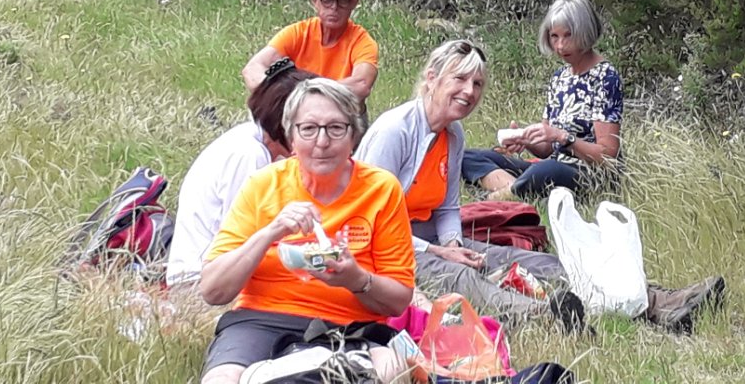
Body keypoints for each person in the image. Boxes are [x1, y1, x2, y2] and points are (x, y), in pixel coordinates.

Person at [354, 39, 586, 330]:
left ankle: (594, 283)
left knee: (510, 257)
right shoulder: (395, 131)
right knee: (460, 275)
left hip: (430, 236)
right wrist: (439, 252)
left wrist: (453, 244)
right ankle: (544, 316)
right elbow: (372, 221)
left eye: (477, 84)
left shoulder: (453, 134)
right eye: (460, 79)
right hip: (387, 246)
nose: (469, 91)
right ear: (432, 78)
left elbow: (448, 207)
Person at [199, 79, 415, 384]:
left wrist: (355, 279)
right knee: (222, 379)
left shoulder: (381, 189)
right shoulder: (263, 185)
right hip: (261, 321)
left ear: (353, 136)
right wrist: (270, 232)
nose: (322, 141)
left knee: (394, 371)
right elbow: (213, 290)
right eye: (309, 129)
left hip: (351, 326)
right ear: (291, 137)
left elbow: (398, 300)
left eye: (335, 128)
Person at [166, 58, 314, 290]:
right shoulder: (249, 155)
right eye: (309, 126)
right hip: (200, 282)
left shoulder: (250, 142)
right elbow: (239, 238)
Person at [462, 0, 623, 200]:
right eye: (554, 37)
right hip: (553, 164)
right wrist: (526, 139)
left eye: (568, 36)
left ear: (585, 33)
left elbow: (607, 155)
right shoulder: (560, 78)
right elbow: (547, 149)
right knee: (468, 157)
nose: (560, 46)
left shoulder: (605, 77)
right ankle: (516, 190)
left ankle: (499, 196)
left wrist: (564, 137)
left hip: (587, 174)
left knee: (545, 171)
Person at [242, 0, 378, 101]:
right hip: (294, 108)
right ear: (315, 2)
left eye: (343, 0)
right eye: (327, 0)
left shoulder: (362, 41)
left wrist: (308, 93)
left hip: (341, 112)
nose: (334, 7)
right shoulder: (298, 33)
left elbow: (361, 84)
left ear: (354, 3)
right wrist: (281, 95)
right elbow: (252, 69)